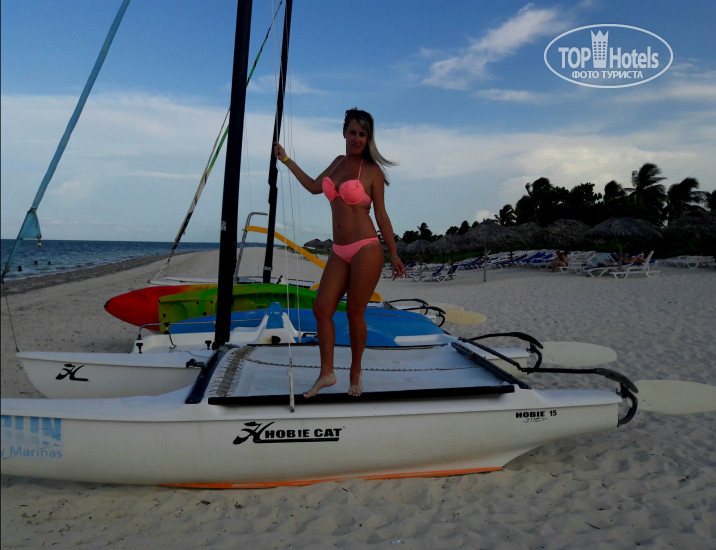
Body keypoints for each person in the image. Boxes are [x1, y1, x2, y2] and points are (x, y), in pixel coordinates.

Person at [274, 108, 406, 398]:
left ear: (368, 138)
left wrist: (394, 254)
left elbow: (381, 215)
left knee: (355, 313)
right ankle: (327, 373)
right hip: (339, 250)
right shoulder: (337, 162)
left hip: (366, 248)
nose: (357, 138)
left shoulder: (372, 171)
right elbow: (313, 187)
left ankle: (355, 372)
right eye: (353, 132)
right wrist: (285, 159)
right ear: (344, 133)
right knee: (321, 308)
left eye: (363, 134)